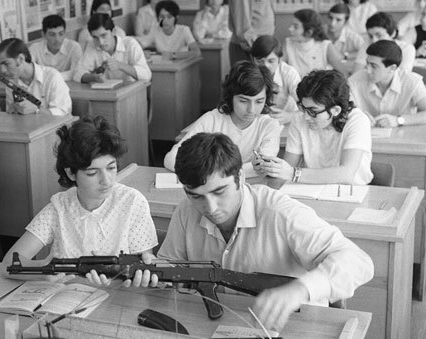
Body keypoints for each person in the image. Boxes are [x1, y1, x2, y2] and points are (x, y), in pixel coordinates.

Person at [158, 132, 374, 332]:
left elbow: (359, 262)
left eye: (219, 192)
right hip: (223, 324)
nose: (210, 208)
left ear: (240, 177)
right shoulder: (185, 210)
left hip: (296, 325)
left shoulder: (281, 213)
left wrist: (300, 289)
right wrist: (157, 275)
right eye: (196, 196)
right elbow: (170, 266)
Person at [2, 116, 158, 265]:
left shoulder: (132, 201)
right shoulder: (60, 207)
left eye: (111, 168)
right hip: (68, 284)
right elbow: (10, 262)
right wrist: (45, 269)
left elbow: (142, 264)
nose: (106, 180)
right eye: (92, 173)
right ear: (71, 173)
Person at [259, 70, 373, 185]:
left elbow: (346, 174)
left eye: (313, 111)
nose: (306, 117)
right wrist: (270, 168)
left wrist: (294, 174)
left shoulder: (358, 121)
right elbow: (287, 168)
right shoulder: (299, 118)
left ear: (335, 110)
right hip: (310, 188)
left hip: (352, 190)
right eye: (304, 108)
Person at [164, 61, 280, 173]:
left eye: (259, 101)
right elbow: (171, 159)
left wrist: (211, 172)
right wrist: (214, 175)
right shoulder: (212, 120)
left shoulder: (269, 126)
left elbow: (264, 168)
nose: (251, 110)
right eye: (243, 101)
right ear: (231, 96)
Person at [349, 40, 426, 128]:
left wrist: (399, 120)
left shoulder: (412, 81)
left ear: (392, 68)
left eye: (374, 66)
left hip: (404, 135)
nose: (368, 70)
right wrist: (357, 117)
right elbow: (343, 112)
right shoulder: (354, 81)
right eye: (367, 63)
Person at [0, 38, 71, 116]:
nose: (3, 70)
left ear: (21, 59)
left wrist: (36, 110)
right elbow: (12, 116)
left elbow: (63, 113)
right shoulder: (11, 83)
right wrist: (12, 111)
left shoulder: (52, 76)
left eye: (6, 64)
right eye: (1, 65)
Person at [74, 14, 151, 84]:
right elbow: (77, 72)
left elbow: (146, 76)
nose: (101, 42)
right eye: (95, 37)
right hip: (106, 92)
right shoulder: (92, 45)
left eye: (104, 35)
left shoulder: (130, 44)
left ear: (113, 31)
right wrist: (93, 77)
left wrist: (120, 65)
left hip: (131, 91)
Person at [251, 35, 300, 125]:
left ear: (280, 60)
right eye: (259, 61)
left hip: (287, 120)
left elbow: (305, 105)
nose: (265, 66)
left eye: (271, 61)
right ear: (252, 59)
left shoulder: (289, 73)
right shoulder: (247, 72)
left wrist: (291, 116)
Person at [282, 8, 345, 78]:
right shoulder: (288, 43)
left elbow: (343, 74)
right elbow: (279, 69)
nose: (290, 29)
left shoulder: (325, 45)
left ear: (309, 32)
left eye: (295, 27)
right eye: (291, 25)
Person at [29, 14, 83, 81]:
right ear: (43, 34)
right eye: (52, 35)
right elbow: (30, 72)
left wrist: (48, 77)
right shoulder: (34, 48)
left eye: (61, 34)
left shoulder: (74, 47)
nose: (57, 39)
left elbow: (75, 73)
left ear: (65, 33)